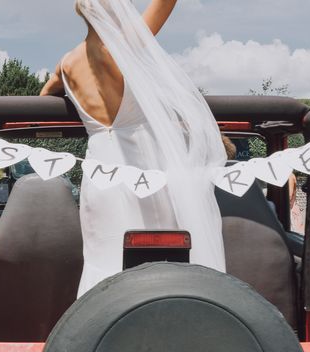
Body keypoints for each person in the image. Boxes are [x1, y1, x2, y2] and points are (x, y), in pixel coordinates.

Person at [41, 0, 227, 297]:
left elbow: (45, 93)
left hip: (101, 173)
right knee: (164, 259)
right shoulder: (127, 46)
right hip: (146, 168)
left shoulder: (66, 63)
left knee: (104, 257)